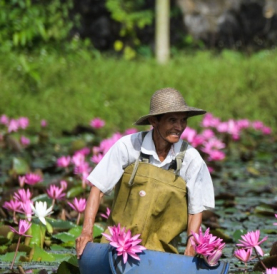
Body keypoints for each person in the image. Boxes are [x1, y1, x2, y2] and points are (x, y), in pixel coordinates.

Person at [75, 88, 215, 258]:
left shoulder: (191, 159)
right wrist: (87, 232)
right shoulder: (128, 146)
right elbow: (98, 188)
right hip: (116, 248)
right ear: (154, 121)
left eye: (183, 120)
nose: (179, 127)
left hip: (162, 255)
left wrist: (191, 247)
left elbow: (195, 210)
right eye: (172, 120)